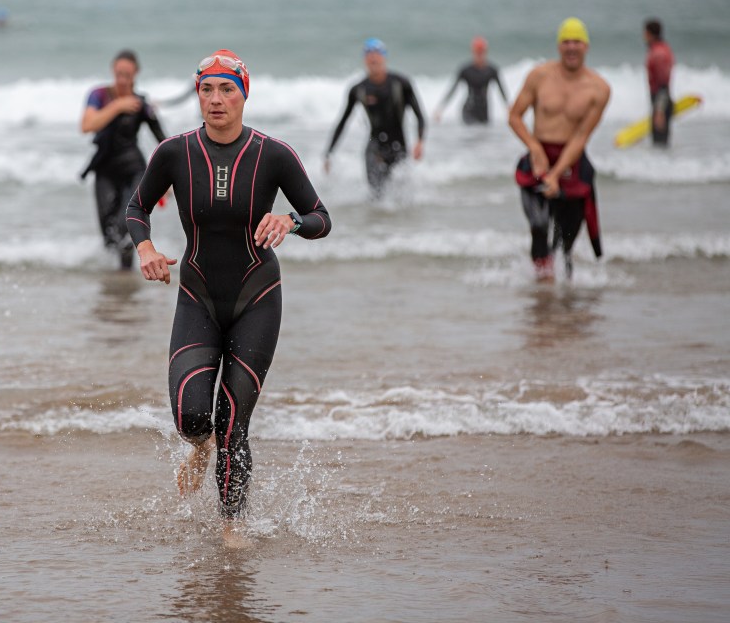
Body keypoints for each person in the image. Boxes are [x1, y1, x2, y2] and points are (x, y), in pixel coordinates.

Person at [127, 50, 332, 545]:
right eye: (207, 90)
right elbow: (136, 207)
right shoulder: (175, 153)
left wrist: (291, 221)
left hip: (257, 297)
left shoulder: (273, 154)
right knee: (193, 416)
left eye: (227, 90)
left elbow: (321, 217)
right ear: (197, 93)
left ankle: (232, 525)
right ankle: (199, 448)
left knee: (233, 421)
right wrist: (146, 246)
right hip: (197, 296)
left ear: (244, 94)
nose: (216, 100)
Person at [508, 18, 610, 281]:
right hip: (538, 158)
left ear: (586, 46)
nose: (571, 47)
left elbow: (580, 137)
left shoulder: (599, 89)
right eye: (566, 41)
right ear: (558, 46)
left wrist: (556, 174)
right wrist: (534, 147)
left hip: (572, 163)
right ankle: (542, 288)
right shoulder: (539, 76)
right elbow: (514, 116)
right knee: (539, 226)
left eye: (577, 41)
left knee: (564, 243)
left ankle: (563, 299)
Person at [80, 50, 166, 269]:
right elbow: (87, 125)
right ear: (113, 71)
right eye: (118, 73)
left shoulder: (141, 103)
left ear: (135, 74)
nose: (122, 79)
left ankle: (126, 282)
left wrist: (169, 178)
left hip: (134, 170)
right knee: (109, 236)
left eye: (127, 74)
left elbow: (163, 142)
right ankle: (121, 282)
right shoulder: (99, 95)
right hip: (104, 169)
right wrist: (118, 106)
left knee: (125, 224)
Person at [325, 38, 426, 195]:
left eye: (377, 54)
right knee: (377, 196)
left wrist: (420, 141)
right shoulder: (359, 89)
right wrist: (329, 153)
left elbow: (420, 116)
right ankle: (376, 220)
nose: (373, 58)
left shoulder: (401, 83)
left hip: (399, 148)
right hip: (375, 149)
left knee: (402, 198)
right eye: (369, 54)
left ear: (384, 57)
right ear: (365, 59)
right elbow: (343, 122)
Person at [434, 36, 509, 124]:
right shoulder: (466, 70)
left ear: (486, 52)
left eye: (481, 52)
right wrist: (441, 108)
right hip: (468, 110)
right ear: (473, 52)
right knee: (471, 134)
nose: (479, 55)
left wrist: (508, 108)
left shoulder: (492, 70)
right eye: (477, 52)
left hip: (484, 111)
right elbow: (453, 89)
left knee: (485, 135)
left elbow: (501, 90)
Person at [644, 18, 675, 147]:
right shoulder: (662, 48)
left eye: (645, 33)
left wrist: (659, 110)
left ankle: (661, 167)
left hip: (661, 101)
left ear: (650, 34)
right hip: (661, 100)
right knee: (661, 143)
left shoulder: (659, 53)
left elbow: (663, 83)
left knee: (660, 143)